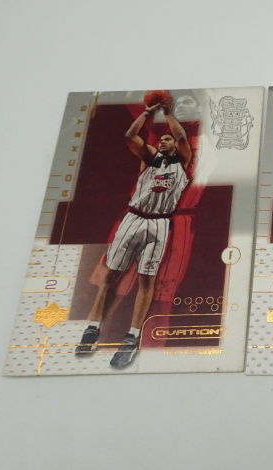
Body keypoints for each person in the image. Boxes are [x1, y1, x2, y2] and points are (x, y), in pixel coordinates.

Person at [75, 90, 192, 368]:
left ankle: (132, 337)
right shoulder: (149, 159)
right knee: (111, 276)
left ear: (175, 145)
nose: (163, 141)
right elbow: (130, 136)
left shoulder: (182, 162)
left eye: (168, 139)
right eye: (161, 139)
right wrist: (148, 112)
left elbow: (182, 138)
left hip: (159, 223)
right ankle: (92, 329)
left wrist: (169, 113)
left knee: (146, 281)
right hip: (133, 219)